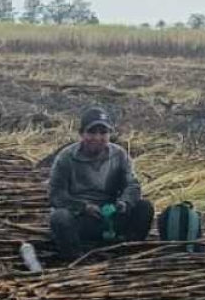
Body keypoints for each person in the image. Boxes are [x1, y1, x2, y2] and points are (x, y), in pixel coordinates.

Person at [48, 107, 154, 262]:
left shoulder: (119, 155)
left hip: (110, 217)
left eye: (103, 133)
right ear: (82, 133)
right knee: (59, 217)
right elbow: (56, 195)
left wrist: (124, 203)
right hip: (81, 220)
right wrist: (83, 207)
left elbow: (132, 185)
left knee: (144, 207)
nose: (97, 138)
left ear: (109, 134)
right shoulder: (66, 157)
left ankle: (127, 250)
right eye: (92, 132)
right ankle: (75, 257)